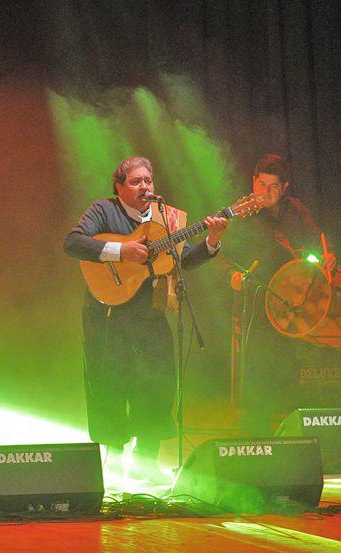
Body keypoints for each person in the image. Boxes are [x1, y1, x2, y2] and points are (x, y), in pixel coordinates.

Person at [63, 156, 228, 479]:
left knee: (158, 383)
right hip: (107, 312)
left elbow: (182, 261)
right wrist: (120, 251)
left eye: (148, 181)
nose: (144, 187)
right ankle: (112, 454)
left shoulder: (169, 217)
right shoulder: (104, 210)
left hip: (150, 313)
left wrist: (212, 240)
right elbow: (73, 243)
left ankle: (148, 457)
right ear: (119, 187)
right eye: (136, 181)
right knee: (109, 382)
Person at [230, 153, 337, 435]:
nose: (265, 193)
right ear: (253, 182)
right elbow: (221, 251)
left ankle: (293, 434)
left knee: (291, 366)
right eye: (261, 184)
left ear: (285, 187)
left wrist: (327, 256)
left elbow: (317, 240)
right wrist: (233, 277)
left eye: (273, 186)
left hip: (293, 300)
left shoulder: (296, 210)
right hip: (258, 297)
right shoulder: (243, 212)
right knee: (259, 366)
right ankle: (256, 437)